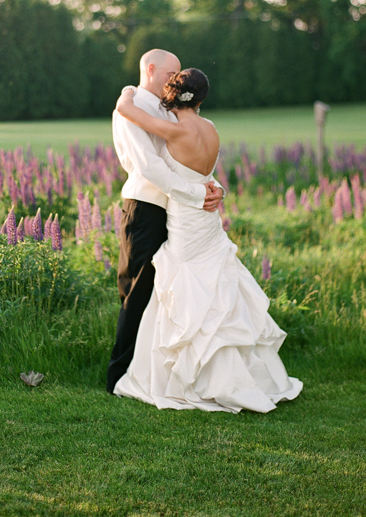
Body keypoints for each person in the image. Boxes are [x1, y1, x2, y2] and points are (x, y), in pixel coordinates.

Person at [113, 67, 303, 413]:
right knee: (216, 289)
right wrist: (217, 191)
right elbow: (208, 173)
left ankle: (189, 377)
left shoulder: (172, 130)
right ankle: (236, 374)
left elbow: (127, 111)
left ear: (175, 93)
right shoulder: (211, 129)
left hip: (187, 217)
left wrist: (128, 90)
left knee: (186, 284)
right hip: (209, 220)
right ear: (202, 99)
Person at [106, 50, 224, 394]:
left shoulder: (169, 109)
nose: (174, 81)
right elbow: (149, 168)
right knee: (136, 292)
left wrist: (213, 189)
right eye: (170, 73)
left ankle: (159, 373)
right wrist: (197, 194)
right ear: (152, 69)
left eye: (178, 76)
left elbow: (193, 159)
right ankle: (119, 376)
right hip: (145, 208)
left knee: (168, 294)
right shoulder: (128, 112)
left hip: (176, 211)